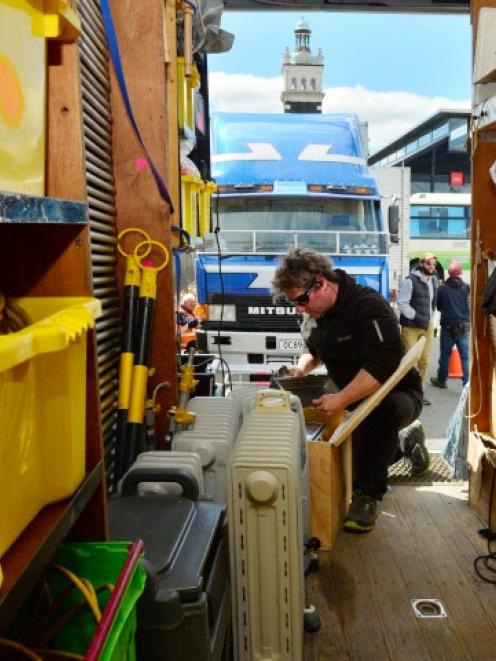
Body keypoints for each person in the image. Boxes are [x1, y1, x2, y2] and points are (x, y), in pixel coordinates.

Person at [272, 249, 427, 533]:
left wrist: (341, 399)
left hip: (398, 395)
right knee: (307, 407)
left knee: (377, 415)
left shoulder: (368, 306)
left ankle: (367, 496)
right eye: (294, 303)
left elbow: (383, 365)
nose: (299, 309)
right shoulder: (318, 313)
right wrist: (300, 370)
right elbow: (314, 352)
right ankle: (404, 443)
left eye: (301, 300)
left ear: (320, 282)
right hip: (354, 399)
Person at [397, 252, 438, 405]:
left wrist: (431, 319)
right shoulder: (410, 281)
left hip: (427, 326)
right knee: (410, 362)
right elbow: (402, 303)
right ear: (421, 264)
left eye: (433, 264)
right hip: (411, 327)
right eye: (428, 263)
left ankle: (420, 393)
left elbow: (433, 304)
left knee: (425, 361)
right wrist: (417, 317)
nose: (431, 266)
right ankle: (409, 393)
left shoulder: (434, 280)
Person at [430, 261, 470, 388]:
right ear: (460, 273)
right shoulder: (466, 287)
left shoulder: (442, 288)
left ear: (449, 273)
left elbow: (439, 307)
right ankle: (466, 384)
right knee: (464, 356)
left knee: (445, 355)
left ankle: (442, 380)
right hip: (464, 326)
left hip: (447, 326)